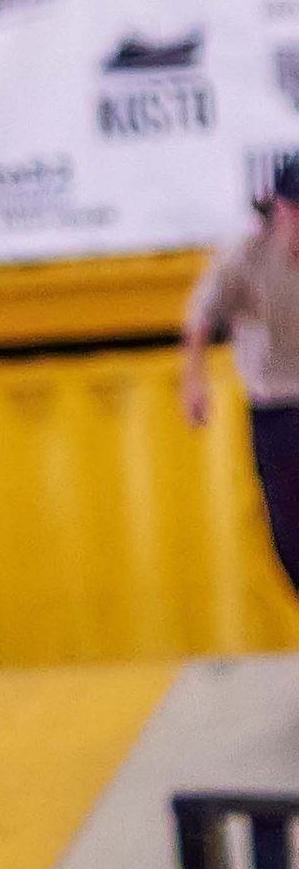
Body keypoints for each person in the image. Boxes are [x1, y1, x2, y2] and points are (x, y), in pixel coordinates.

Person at [183, 160, 299, 605]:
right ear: (278, 208)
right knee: (289, 534)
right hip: (273, 407)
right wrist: (193, 383)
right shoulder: (248, 254)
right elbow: (202, 317)